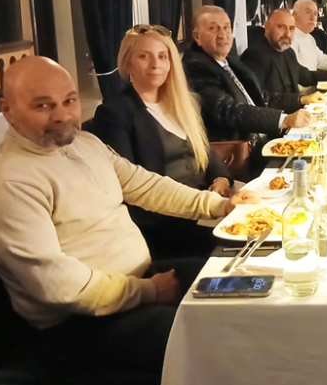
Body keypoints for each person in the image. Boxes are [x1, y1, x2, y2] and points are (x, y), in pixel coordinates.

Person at [0, 56, 259, 372]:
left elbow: (145, 185)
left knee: (247, 283)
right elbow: (57, 286)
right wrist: (148, 291)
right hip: (83, 325)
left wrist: (218, 205)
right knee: (213, 337)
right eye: (43, 105)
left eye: (69, 100)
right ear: (8, 110)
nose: (62, 115)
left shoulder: (84, 144)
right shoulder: (8, 185)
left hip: (136, 284)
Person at [89, 24, 234, 258]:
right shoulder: (114, 113)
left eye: (162, 56)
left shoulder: (183, 103)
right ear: (128, 64)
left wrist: (221, 179)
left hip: (207, 205)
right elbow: (131, 187)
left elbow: (205, 150)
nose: (155, 64)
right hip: (165, 224)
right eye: (144, 56)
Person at [183, 5, 316, 142]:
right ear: (197, 37)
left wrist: (301, 99)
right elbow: (229, 110)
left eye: (226, 27)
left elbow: (262, 97)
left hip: (264, 137)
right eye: (213, 28)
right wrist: (284, 120)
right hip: (240, 149)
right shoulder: (195, 66)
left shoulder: (230, 61)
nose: (223, 35)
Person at [241, 9, 327, 95]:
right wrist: (301, 99)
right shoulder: (254, 56)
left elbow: (308, 77)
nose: (287, 34)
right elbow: (261, 97)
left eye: (291, 28)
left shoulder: (289, 53)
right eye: (281, 27)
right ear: (267, 28)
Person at [291, 0, 327, 72]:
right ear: (294, 15)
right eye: (308, 12)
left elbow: (323, 61)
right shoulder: (290, 39)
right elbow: (296, 72)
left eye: (315, 13)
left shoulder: (309, 38)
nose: (312, 17)